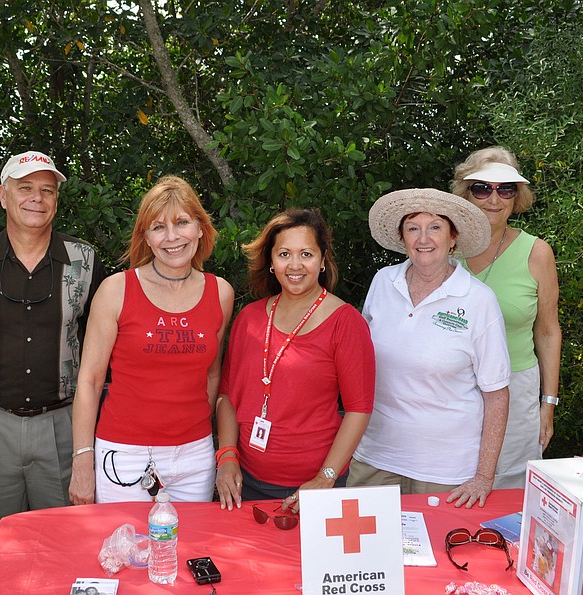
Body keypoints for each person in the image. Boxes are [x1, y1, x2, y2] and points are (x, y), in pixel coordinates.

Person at [0, 150, 106, 550]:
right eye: (25, 187)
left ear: (56, 200)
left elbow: (98, 343)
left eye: (47, 190)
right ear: (3, 194)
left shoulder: (85, 261)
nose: (37, 197)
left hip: (65, 424)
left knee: (69, 539)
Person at [69, 175, 234, 504]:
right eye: (158, 227)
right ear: (145, 235)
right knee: (123, 553)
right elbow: (89, 381)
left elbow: (212, 374)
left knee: (190, 551)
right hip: (124, 454)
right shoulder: (116, 290)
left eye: (182, 223)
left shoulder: (221, 292)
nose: (172, 237)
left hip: (195, 457)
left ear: (201, 228)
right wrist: (82, 461)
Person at [348, 188, 510, 508]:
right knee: (363, 553)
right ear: (402, 238)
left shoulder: (478, 300)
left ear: (453, 238)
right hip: (375, 456)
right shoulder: (383, 282)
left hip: (446, 470)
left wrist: (483, 477)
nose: (424, 238)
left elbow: (497, 395)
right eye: (413, 228)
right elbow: (361, 364)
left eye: (435, 227)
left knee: (437, 554)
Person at [215, 209, 375, 512]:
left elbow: (359, 409)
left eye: (306, 253)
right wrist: (227, 457)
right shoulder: (249, 318)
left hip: (315, 486)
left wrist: (324, 478)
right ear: (272, 263)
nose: (295, 265)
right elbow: (227, 396)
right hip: (246, 482)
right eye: (284, 254)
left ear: (323, 259)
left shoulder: (346, 322)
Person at [451, 147, 562, 489]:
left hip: (515, 388)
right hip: (451, 387)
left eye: (505, 188)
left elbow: (547, 332)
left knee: (509, 487)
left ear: (518, 196)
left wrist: (548, 403)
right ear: (465, 194)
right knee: (451, 479)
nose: (493, 198)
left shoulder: (537, 253)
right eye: (482, 188)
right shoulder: (443, 248)